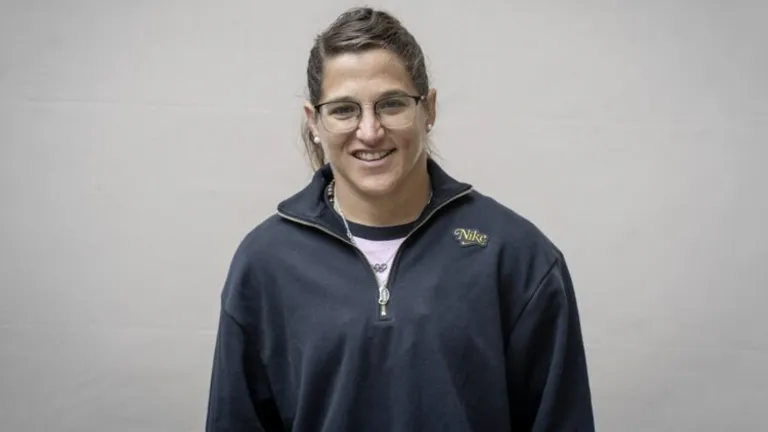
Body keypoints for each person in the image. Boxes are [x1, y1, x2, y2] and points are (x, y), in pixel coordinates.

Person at [206, 6, 595, 432]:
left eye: (391, 104)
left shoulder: (517, 256)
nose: (370, 131)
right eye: (343, 109)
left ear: (429, 109)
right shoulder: (265, 262)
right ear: (314, 122)